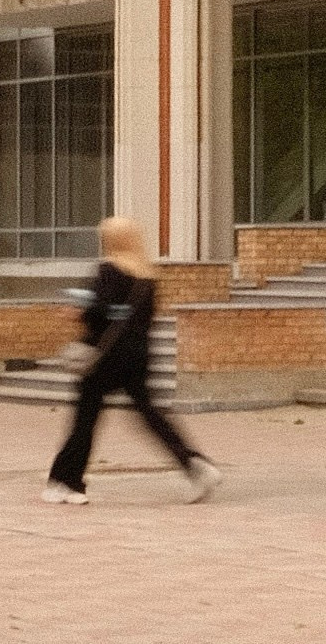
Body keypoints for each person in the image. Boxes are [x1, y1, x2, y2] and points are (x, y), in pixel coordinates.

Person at [41, 215, 219, 505]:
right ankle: (194, 464)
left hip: (104, 357)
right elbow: (140, 317)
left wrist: (76, 313)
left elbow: (99, 312)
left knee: (85, 419)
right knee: (150, 414)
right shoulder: (148, 277)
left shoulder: (108, 270)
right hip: (138, 354)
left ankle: (64, 481)